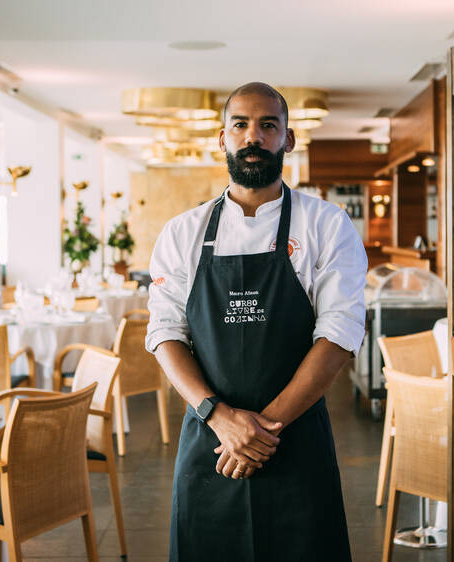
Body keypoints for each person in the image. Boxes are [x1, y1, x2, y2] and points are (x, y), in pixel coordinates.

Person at [146, 82, 367, 562]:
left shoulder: (326, 225)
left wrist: (263, 430)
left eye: (269, 125)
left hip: (295, 440)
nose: (254, 136)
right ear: (221, 139)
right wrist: (220, 418)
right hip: (210, 442)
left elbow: (339, 334)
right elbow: (165, 334)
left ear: (288, 139)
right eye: (241, 125)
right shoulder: (182, 232)